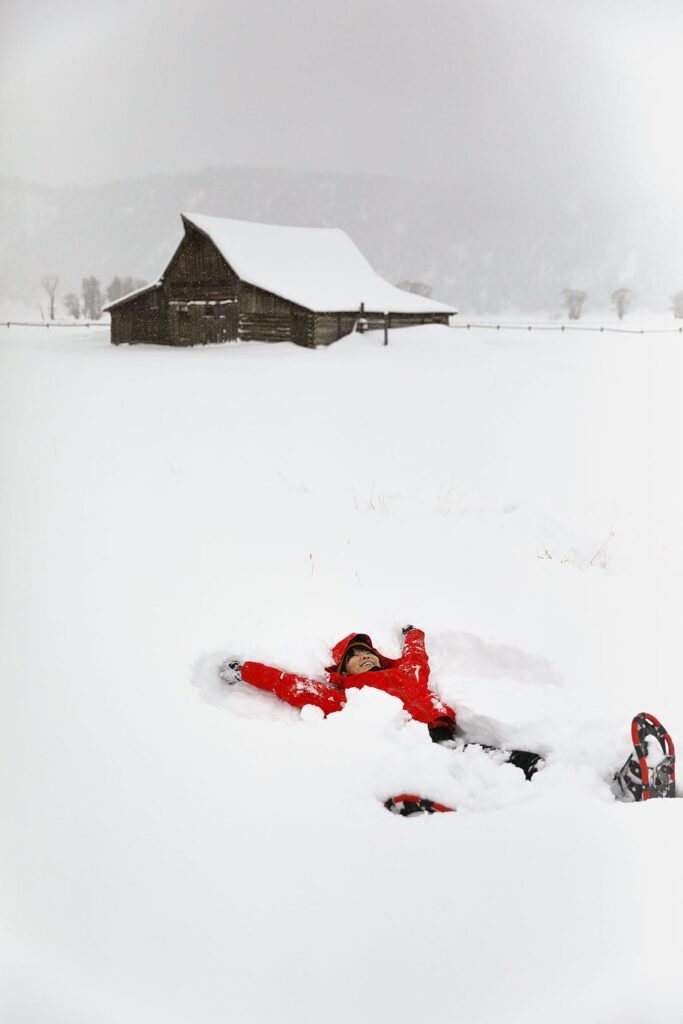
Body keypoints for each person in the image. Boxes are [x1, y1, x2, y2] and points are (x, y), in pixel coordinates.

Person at [218, 625, 545, 780]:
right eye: (356, 656)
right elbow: (289, 685)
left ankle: (533, 768)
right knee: (463, 766)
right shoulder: (346, 695)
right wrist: (245, 670)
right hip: (412, 746)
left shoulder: (407, 672)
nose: (365, 657)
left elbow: (417, 654)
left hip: (443, 734)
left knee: (477, 756)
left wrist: (412, 633)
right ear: (344, 670)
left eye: (368, 652)